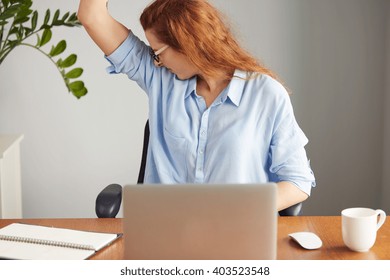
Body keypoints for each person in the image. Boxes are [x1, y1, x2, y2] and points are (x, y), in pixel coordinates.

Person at [77, 0, 316, 211]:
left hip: (234, 236)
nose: (157, 62)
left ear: (187, 44)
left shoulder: (266, 95)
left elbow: (297, 181)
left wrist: (243, 209)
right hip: (163, 233)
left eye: (158, 52)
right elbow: (92, 16)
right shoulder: (161, 79)